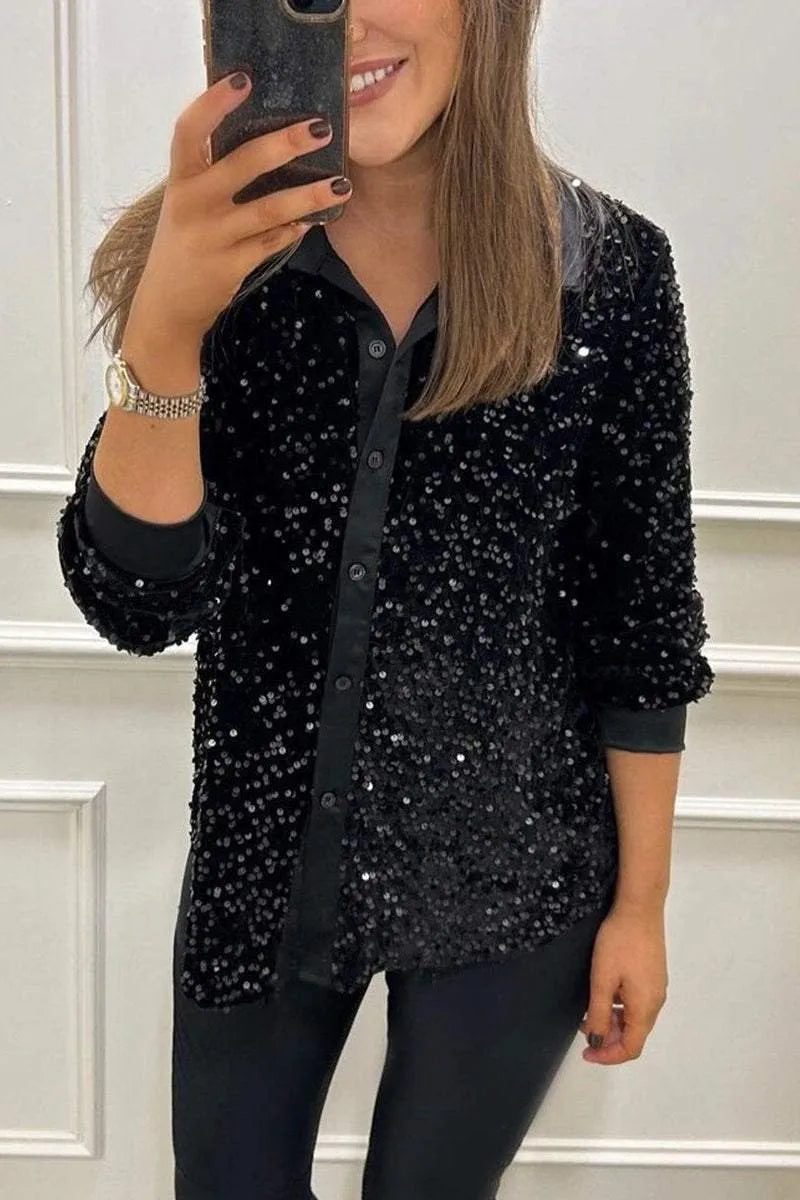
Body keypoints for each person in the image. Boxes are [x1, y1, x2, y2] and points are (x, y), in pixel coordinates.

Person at [55, 2, 715, 1197]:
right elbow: (136, 606)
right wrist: (166, 333)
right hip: (260, 870)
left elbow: (641, 623)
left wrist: (642, 905)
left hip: (516, 875)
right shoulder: (205, 251)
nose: (350, 15)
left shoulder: (608, 271)